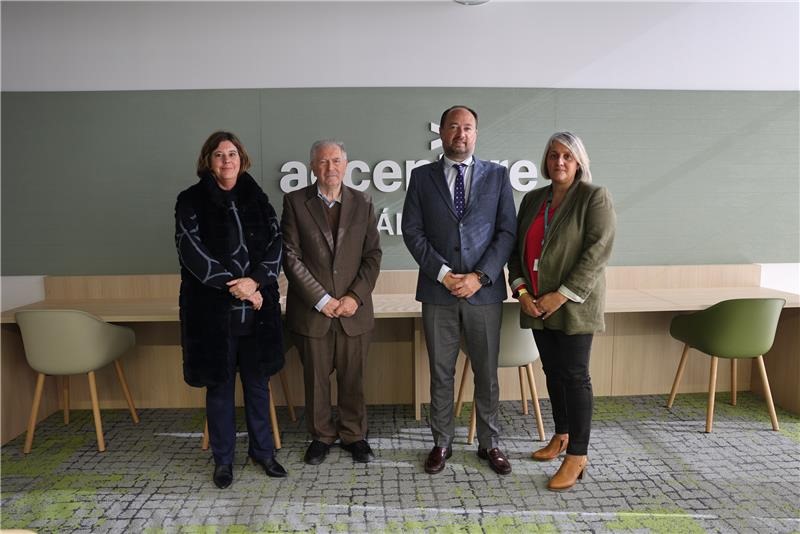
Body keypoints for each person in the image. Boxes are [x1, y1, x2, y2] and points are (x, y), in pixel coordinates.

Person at [402, 105, 517, 475]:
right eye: (454, 127)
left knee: (487, 371)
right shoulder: (421, 178)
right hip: (439, 292)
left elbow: (506, 233)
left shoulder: (498, 177)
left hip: (484, 293)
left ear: (476, 134)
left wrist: (479, 276)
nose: (461, 134)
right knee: (441, 372)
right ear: (443, 133)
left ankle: (491, 443)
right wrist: (444, 274)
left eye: (467, 128)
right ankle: (441, 442)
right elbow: (412, 232)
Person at [175, 131, 287, 489]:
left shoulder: (258, 198)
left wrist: (255, 283)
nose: (227, 160)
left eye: (233, 154)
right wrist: (239, 288)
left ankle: (264, 452)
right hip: (212, 314)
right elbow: (191, 252)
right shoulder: (190, 200)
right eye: (220, 155)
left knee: (258, 386)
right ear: (208, 160)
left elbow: (276, 243)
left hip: (258, 312)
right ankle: (223, 460)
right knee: (220, 389)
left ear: (242, 158)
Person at [507, 131, 616, 491]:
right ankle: (562, 436)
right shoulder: (533, 199)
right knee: (552, 372)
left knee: (574, 376)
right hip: (536, 304)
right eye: (553, 155)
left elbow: (597, 253)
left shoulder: (593, 197)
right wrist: (522, 292)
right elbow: (516, 253)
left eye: (567, 156)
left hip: (572, 305)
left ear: (579, 161)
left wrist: (560, 295)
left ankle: (578, 455)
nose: (559, 162)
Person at [281, 140, 382, 465]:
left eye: (336, 161)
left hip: (354, 312)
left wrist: (354, 297)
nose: (330, 168)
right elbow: (291, 256)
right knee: (316, 380)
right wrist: (321, 299)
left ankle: (354, 435)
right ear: (312, 166)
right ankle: (321, 436)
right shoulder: (295, 202)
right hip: (313, 312)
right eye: (323, 162)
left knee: (353, 379)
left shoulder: (363, 202)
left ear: (345, 164)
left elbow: (372, 256)